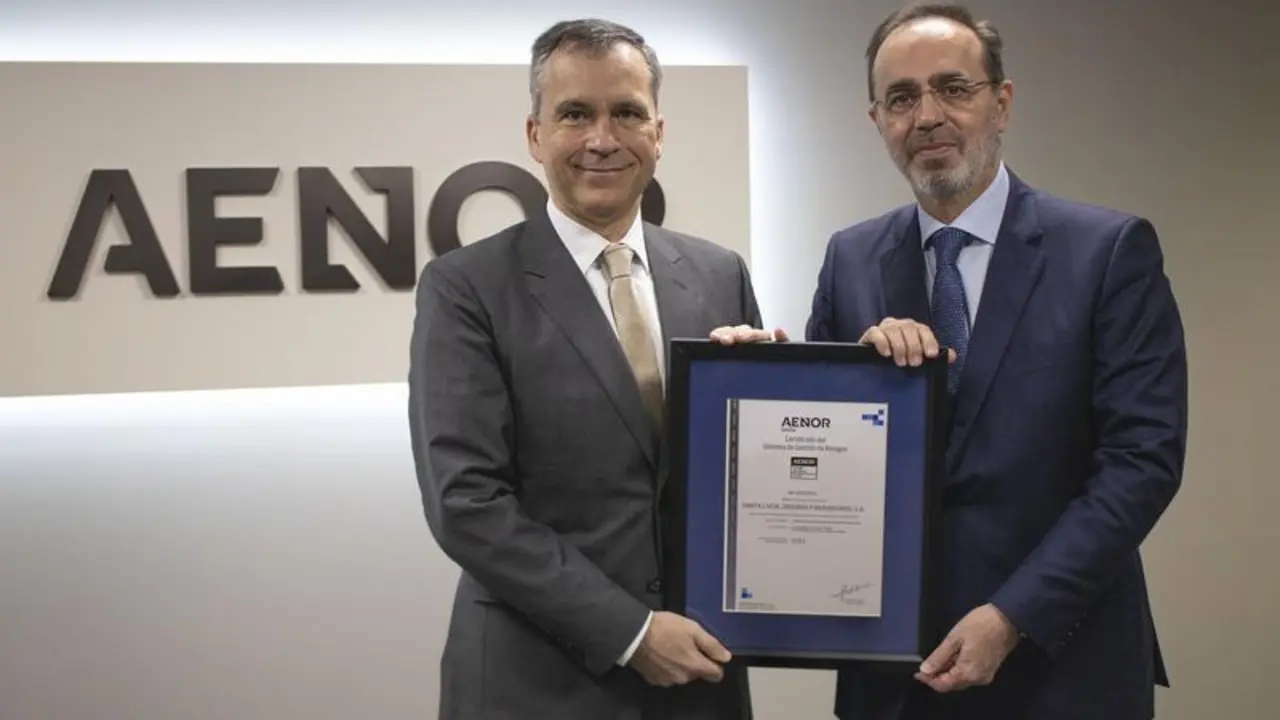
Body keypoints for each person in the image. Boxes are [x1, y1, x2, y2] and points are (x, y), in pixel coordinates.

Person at [711, 4, 1188, 719]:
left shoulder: (1107, 251)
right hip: (894, 675)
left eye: (953, 88)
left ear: (1002, 103)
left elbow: (1141, 463)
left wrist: (1012, 615)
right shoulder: (851, 259)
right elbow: (819, 447)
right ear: (878, 120)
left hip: (1062, 665)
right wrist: (746, 384)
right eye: (901, 98)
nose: (928, 116)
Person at [407, 17, 765, 720]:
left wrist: (771, 409)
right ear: (535, 135)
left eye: (627, 112)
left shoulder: (719, 274)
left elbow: (747, 481)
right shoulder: (466, 287)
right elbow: (467, 503)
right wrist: (631, 633)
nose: (603, 138)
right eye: (575, 114)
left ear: (658, 132)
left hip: (701, 679)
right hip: (537, 684)